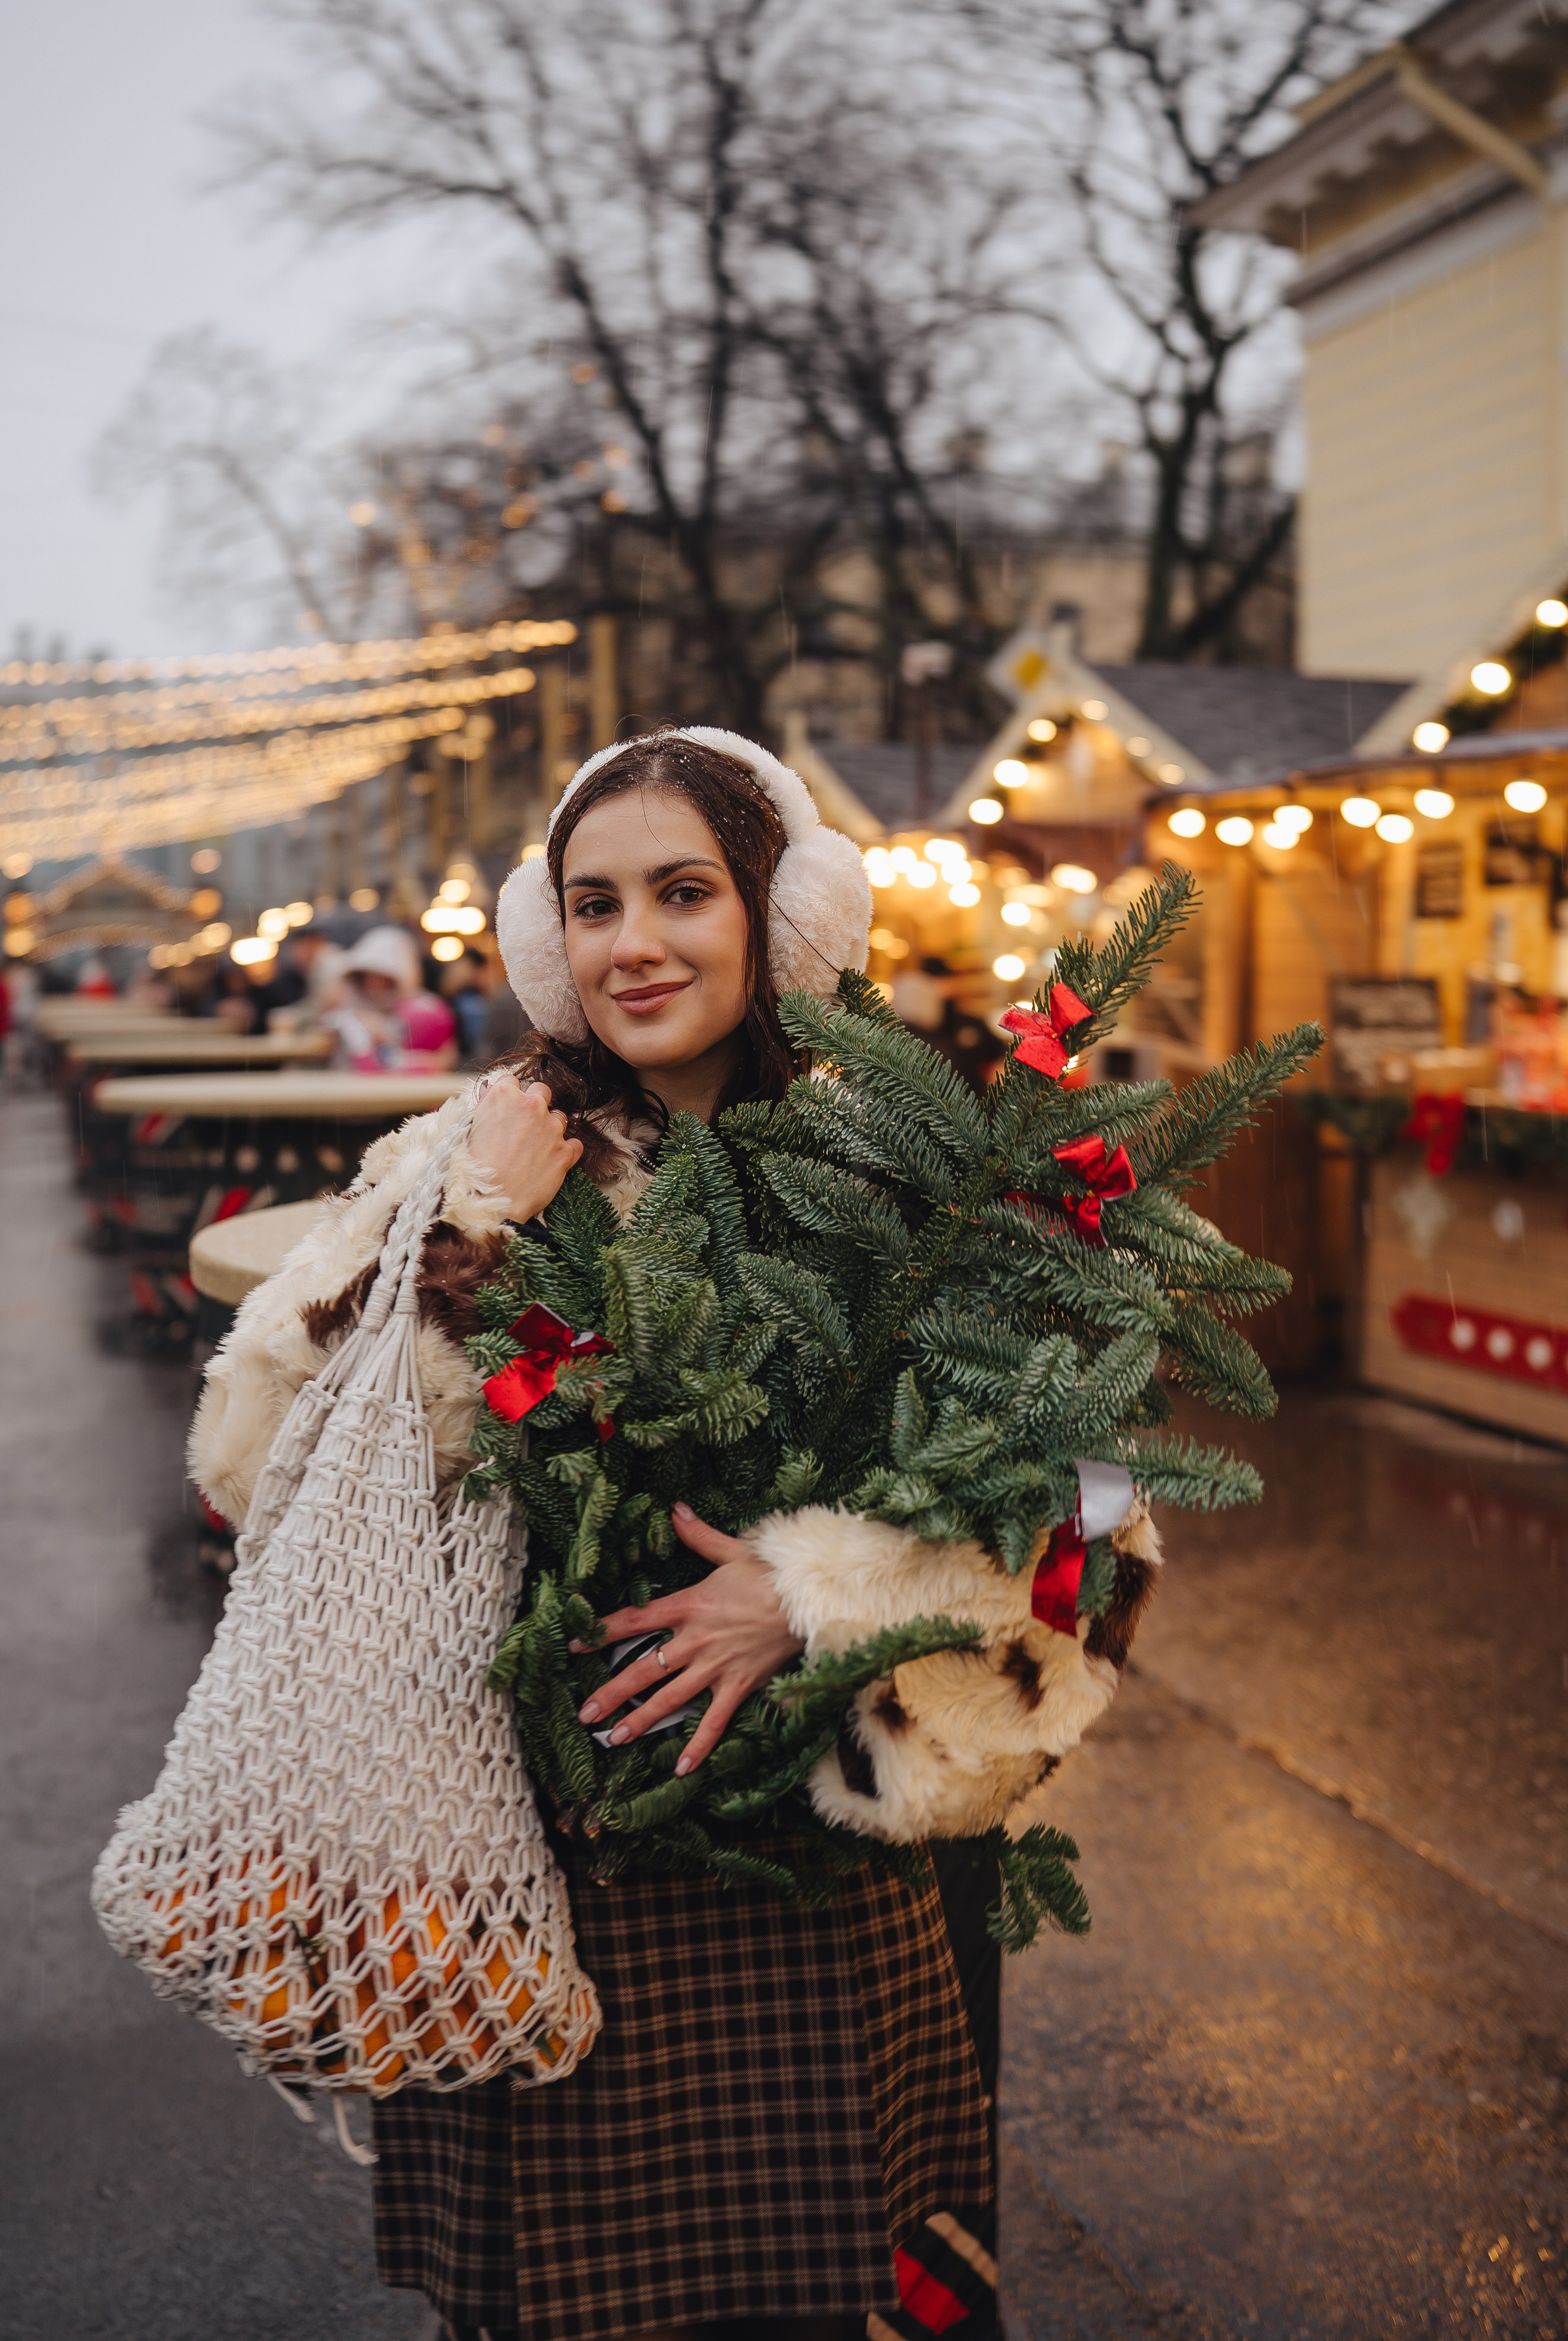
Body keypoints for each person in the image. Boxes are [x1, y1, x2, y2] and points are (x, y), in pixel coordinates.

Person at [189, 728, 1157, 2341]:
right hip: (525, 1869)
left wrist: (817, 1591)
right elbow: (260, 1459)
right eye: (593, 903)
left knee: (818, 2296)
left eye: (684, 892)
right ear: (547, 938)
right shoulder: (470, 1150)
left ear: (783, 914)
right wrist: (472, 1220)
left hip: (813, 1887)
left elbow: (1102, 1508)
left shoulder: (916, 1170)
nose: (632, 942)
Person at [324, 924, 457, 1072]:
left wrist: (418, 1060)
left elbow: (447, 1057)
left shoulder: (424, 1008)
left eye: (382, 977)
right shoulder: (347, 1013)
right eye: (369, 976)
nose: (375, 984)